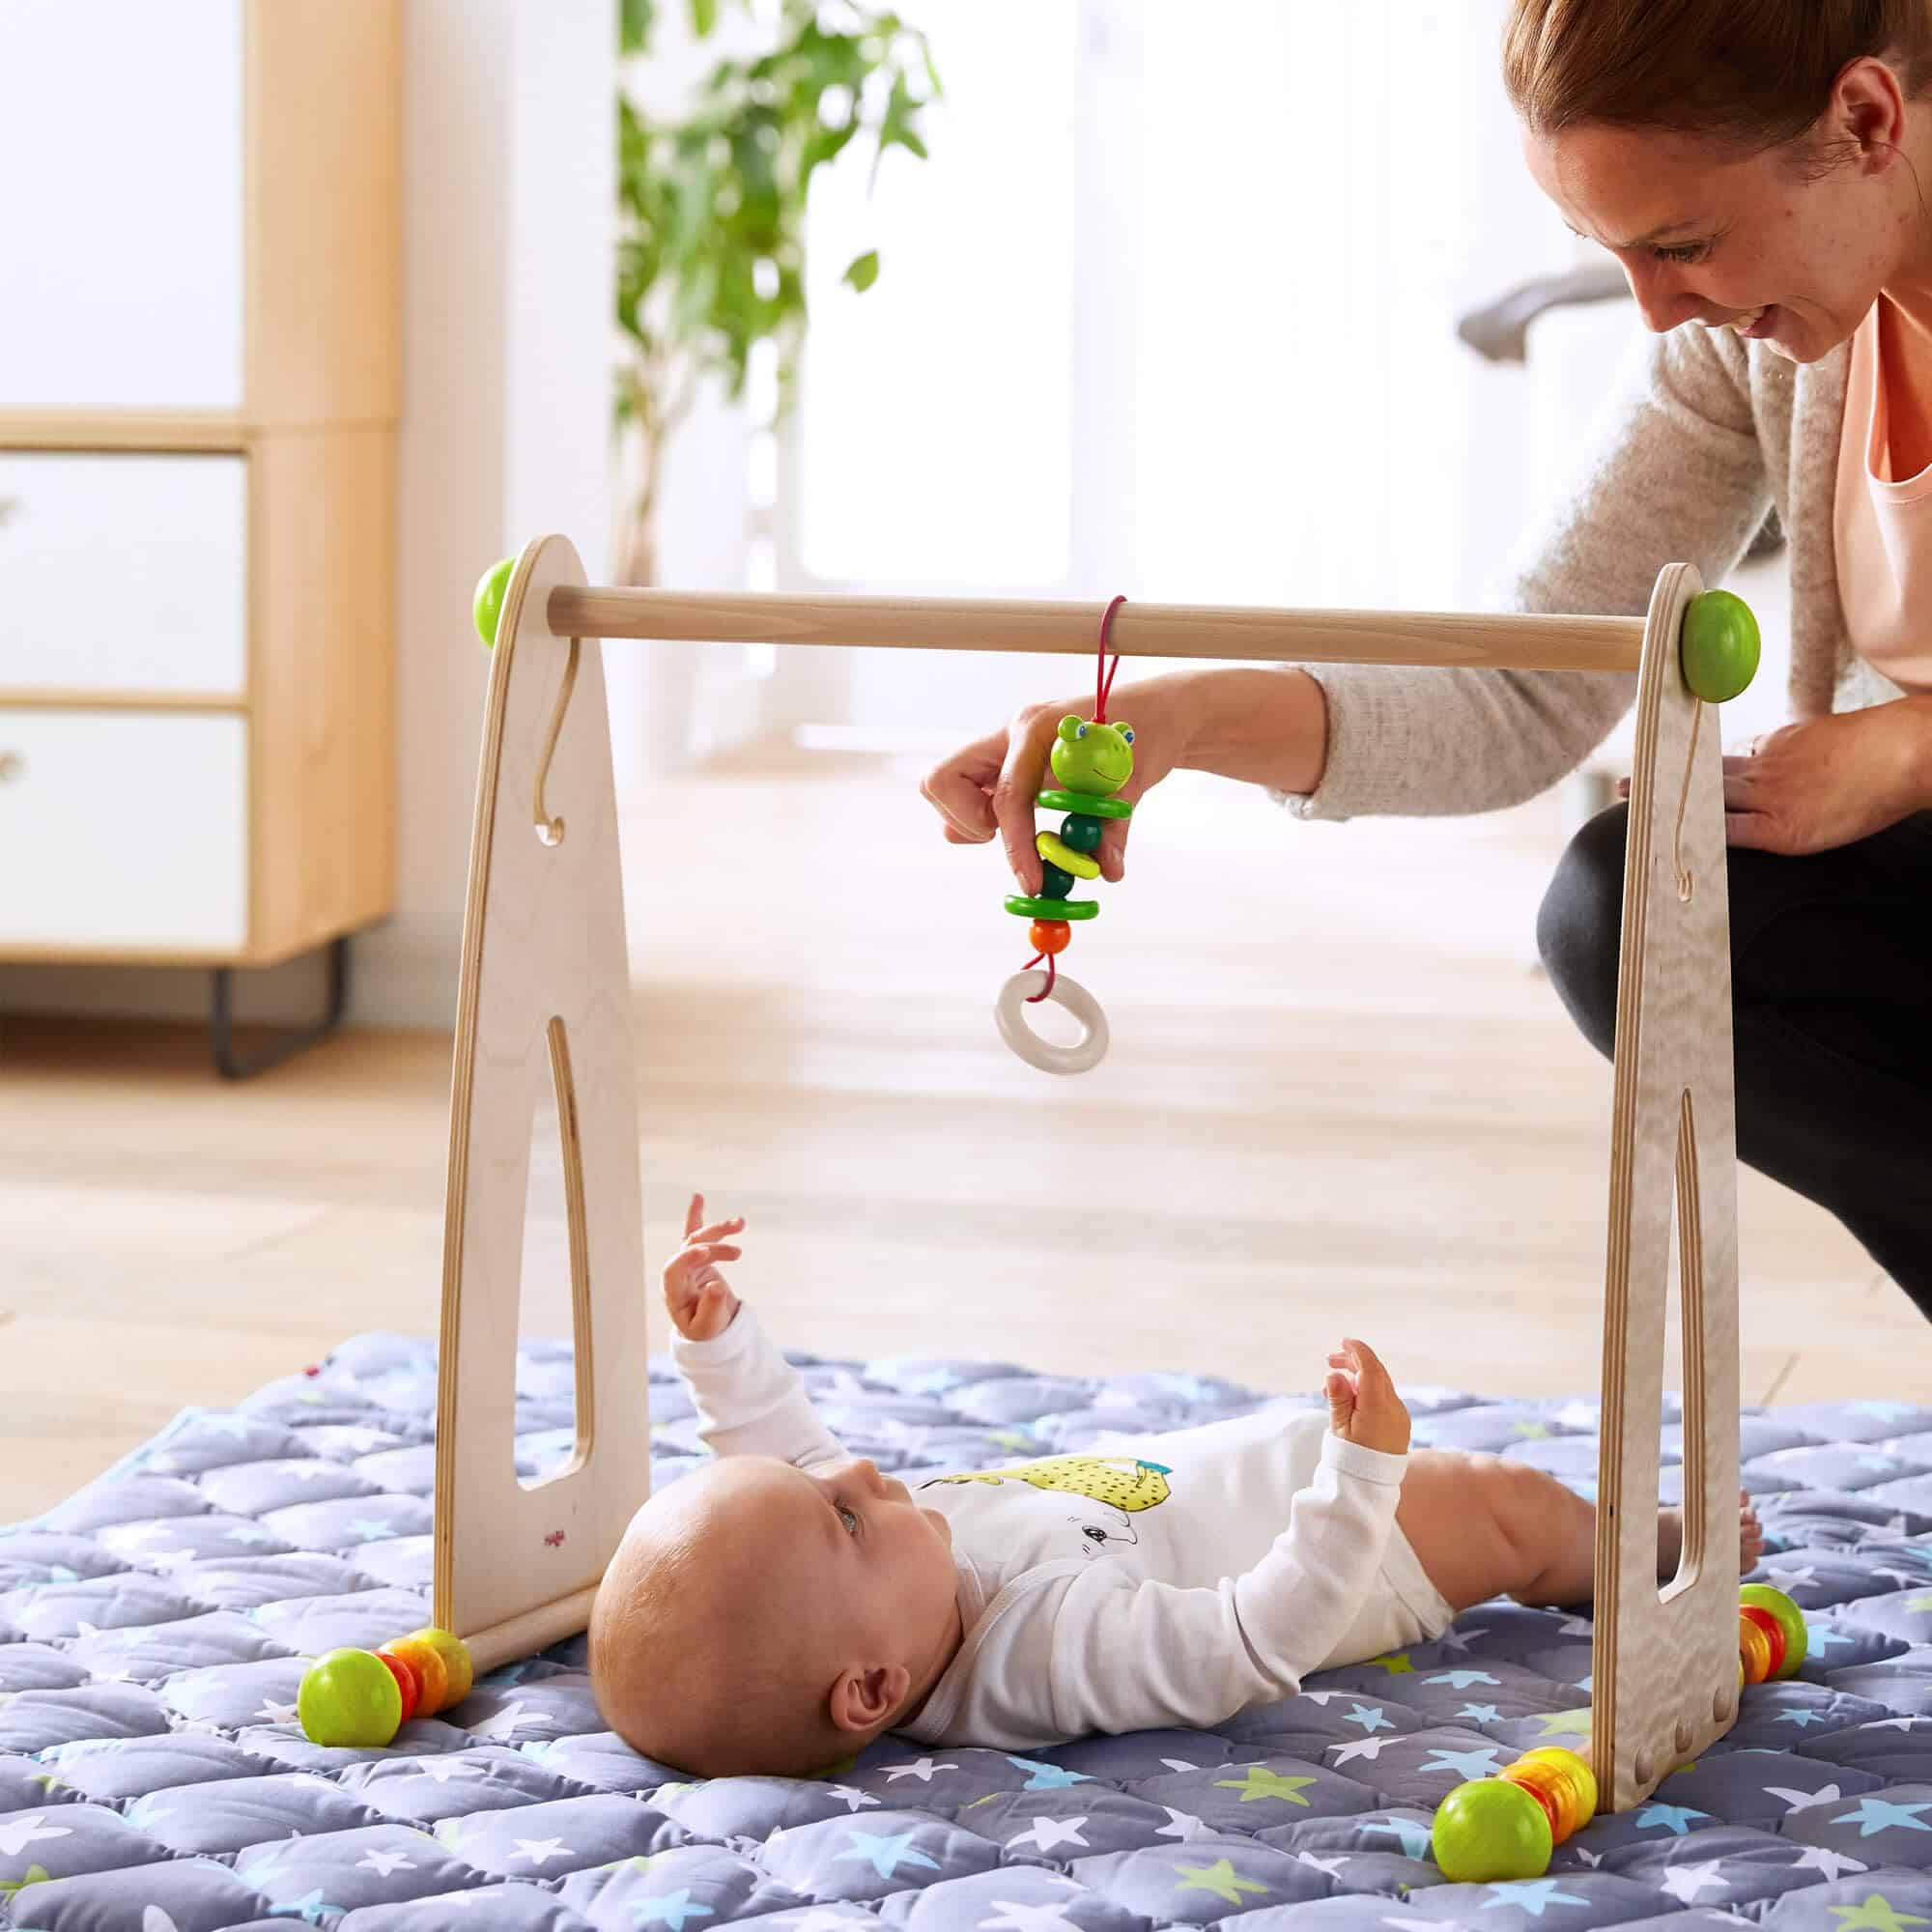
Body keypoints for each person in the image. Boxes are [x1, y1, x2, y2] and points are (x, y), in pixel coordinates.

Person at [920, 0, 1932, 1322]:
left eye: (1682, 244)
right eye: (1613, 254)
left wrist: (1907, 750)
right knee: (1628, 908)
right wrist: (1178, 720)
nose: (1656, 309)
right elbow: (1520, 685)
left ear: (1865, 121)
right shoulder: (1745, 347)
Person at [587, 1197, 1763, 1778]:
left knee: (1476, 1474)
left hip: (1235, 1470)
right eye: (843, 1515)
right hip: (1344, 1555)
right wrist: (1356, 1486)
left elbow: (777, 1454)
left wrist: (716, 1343)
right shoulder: (1038, 1648)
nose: (848, 1466)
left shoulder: (882, 1586)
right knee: (1509, 1505)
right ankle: (1635, 1553)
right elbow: (1249, 1640)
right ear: (873, 1687)